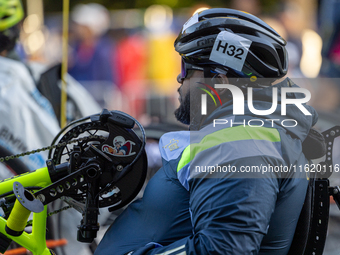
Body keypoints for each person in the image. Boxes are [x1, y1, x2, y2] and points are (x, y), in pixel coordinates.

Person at [95, 8, 323, 255]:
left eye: (186, 70)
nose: (179, 81)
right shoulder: (246, 134)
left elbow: (223, 251)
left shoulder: (239, 143)